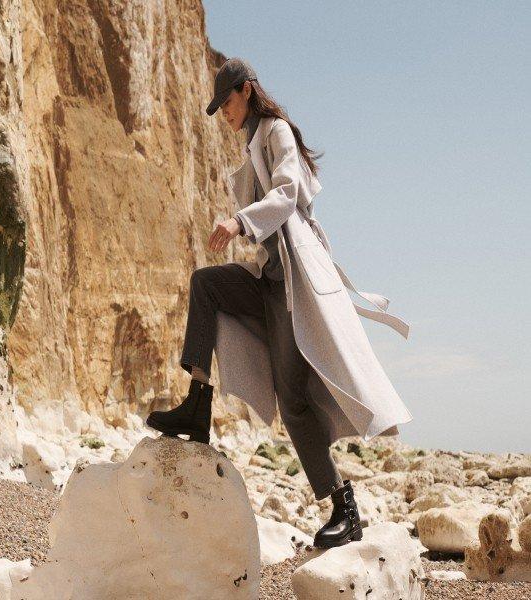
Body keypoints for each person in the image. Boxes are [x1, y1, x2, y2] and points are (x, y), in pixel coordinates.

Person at [146, 57, 362, 548]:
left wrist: (239, 221)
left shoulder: (277, 131)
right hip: (267, 275)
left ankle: (344, 507)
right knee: (207, 285)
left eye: (227, 101)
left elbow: (288, 193)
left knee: (293, 395)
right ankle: (197, 406)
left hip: (291, 280)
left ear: (246, 91)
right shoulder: (253, 142)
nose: (224, 112)